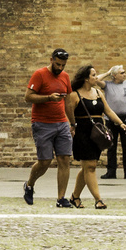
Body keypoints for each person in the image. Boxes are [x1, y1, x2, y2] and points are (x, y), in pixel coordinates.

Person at [67, 66, 126, 209]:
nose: (96, 77)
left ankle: (75, 197)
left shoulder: (99, 93)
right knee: (91, 166)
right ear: (86, 78)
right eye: (94, 75)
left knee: (87, 167)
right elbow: (67, 112)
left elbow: (108, 110)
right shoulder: (75, 95)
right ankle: (98, 200)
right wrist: (71, 126)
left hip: (97, 134)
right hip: (82, 133)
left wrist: (120, 123)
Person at [23, 48, 76, 208]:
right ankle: (30, 185)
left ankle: (61, 198)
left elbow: (67, 102)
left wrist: (72, 123)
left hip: (61, 124)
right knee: (45, 161)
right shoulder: (39, 74)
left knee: (64, 159)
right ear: (51, 59)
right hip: (42, 124)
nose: (60, 68)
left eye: (63, 65)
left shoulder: (65, 77)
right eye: (58, 64)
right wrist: (48, 98)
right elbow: (28, 97)